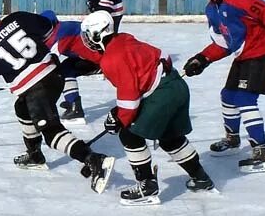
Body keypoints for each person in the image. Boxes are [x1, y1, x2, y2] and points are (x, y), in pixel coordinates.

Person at [0, 1, 115, 194]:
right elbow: (48, 27)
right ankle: (34, 155)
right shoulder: (18, 18)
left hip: (35, 88)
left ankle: (94, 160)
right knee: (22, 108)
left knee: (51, 133)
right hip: (54, 74)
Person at [80, 10, 214, 205]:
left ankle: (147, 185)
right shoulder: (125, 39)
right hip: (175, 85)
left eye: (87, 35)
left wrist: (119, 117)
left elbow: (129, 97)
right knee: (169, 137)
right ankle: (201, 178)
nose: (86, 40)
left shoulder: (112, 58)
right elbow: (162, 58)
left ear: (97, 34)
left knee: (129, 134)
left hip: (162, 94)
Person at [183, 0, 265, 173]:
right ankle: (233, 140)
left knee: (244, 99)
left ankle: (261, 153)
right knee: (228, 95)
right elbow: (223, 43)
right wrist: (203, 58)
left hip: (262, 53)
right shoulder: (212, 10)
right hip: (243, 55)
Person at [39, 10, 101, 122]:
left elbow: (49, 59)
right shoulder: (62, 27)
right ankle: (72, 102)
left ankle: (75, 107)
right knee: (66, 69)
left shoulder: (60, 34)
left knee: (63, 71)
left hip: (98, 59)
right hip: (91, 56)